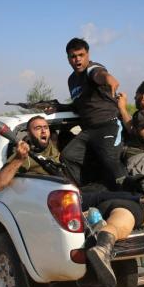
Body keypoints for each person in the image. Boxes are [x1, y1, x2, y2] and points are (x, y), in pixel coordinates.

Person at [0, 115, 144, 287]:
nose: (43, 131)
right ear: (28, 133)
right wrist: (20, 158)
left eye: (46, 127)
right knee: (105, 196)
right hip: (69, 197)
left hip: (81, 190)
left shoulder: (53, 149)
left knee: (106, 189)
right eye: (37, 128)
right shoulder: (25, 154)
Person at [59, 37, 127, 189]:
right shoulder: (71, 80)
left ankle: (131, 196)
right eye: (73, 56)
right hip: (88, 130)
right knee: (68, 156)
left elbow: (99, 74)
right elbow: (78, 106)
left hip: (108, 125)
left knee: (110, 162)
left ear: (88, 55)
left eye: (81, 55)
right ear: (68, 59)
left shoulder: (93, 68)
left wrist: (108, 78)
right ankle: (84, 192)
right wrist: (57, 108)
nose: (77, 60)